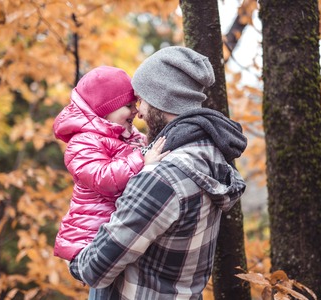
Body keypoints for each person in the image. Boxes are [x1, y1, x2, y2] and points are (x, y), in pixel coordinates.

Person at [69, 46, 248, 299]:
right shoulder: (212, 155)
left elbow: (93, 270)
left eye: (141, 101)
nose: (138, 113)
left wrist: (74, 257)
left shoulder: (161, 178)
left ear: (163, 99)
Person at [53, 66, 169, 262]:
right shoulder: (83, 142)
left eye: (136, 103)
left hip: (115, 235)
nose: (136, 111)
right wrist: (141, 158)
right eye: (129, 106)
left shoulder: (131, 137)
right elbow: (102, 177)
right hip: (89, 240)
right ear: (105, 111)